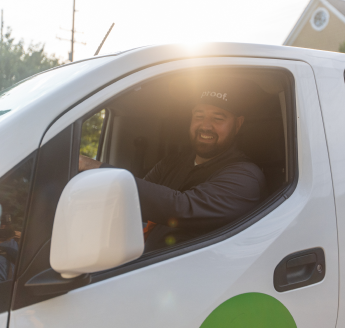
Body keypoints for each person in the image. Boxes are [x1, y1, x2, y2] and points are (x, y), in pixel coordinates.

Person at [79, 78, 267, 252]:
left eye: (218, 118)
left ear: (238, 124)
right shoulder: (174, 162)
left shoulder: (245, 177)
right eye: (199, 115)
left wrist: (97, 169)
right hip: (142, 261)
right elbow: (136, 201)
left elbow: (181, 207)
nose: (205, 126)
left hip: (190, 274)